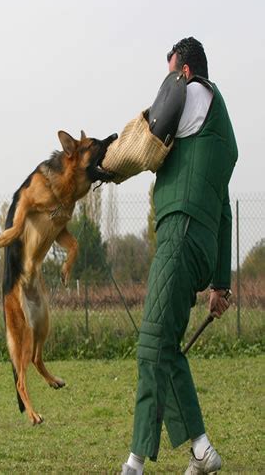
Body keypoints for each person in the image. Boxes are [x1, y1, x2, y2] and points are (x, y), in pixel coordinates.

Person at [121, 37, 238, 474]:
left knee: (152, 342)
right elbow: (224, 210)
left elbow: (148, 136)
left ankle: (134, 463)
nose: (168, 81)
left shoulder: (192, 92)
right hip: (198, 240)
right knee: (165, 344)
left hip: (180, 231)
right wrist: (220, 283)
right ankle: (201, 450)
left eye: (171, 72)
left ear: (184, 71)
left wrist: (103, 164)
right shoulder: (220, 134)